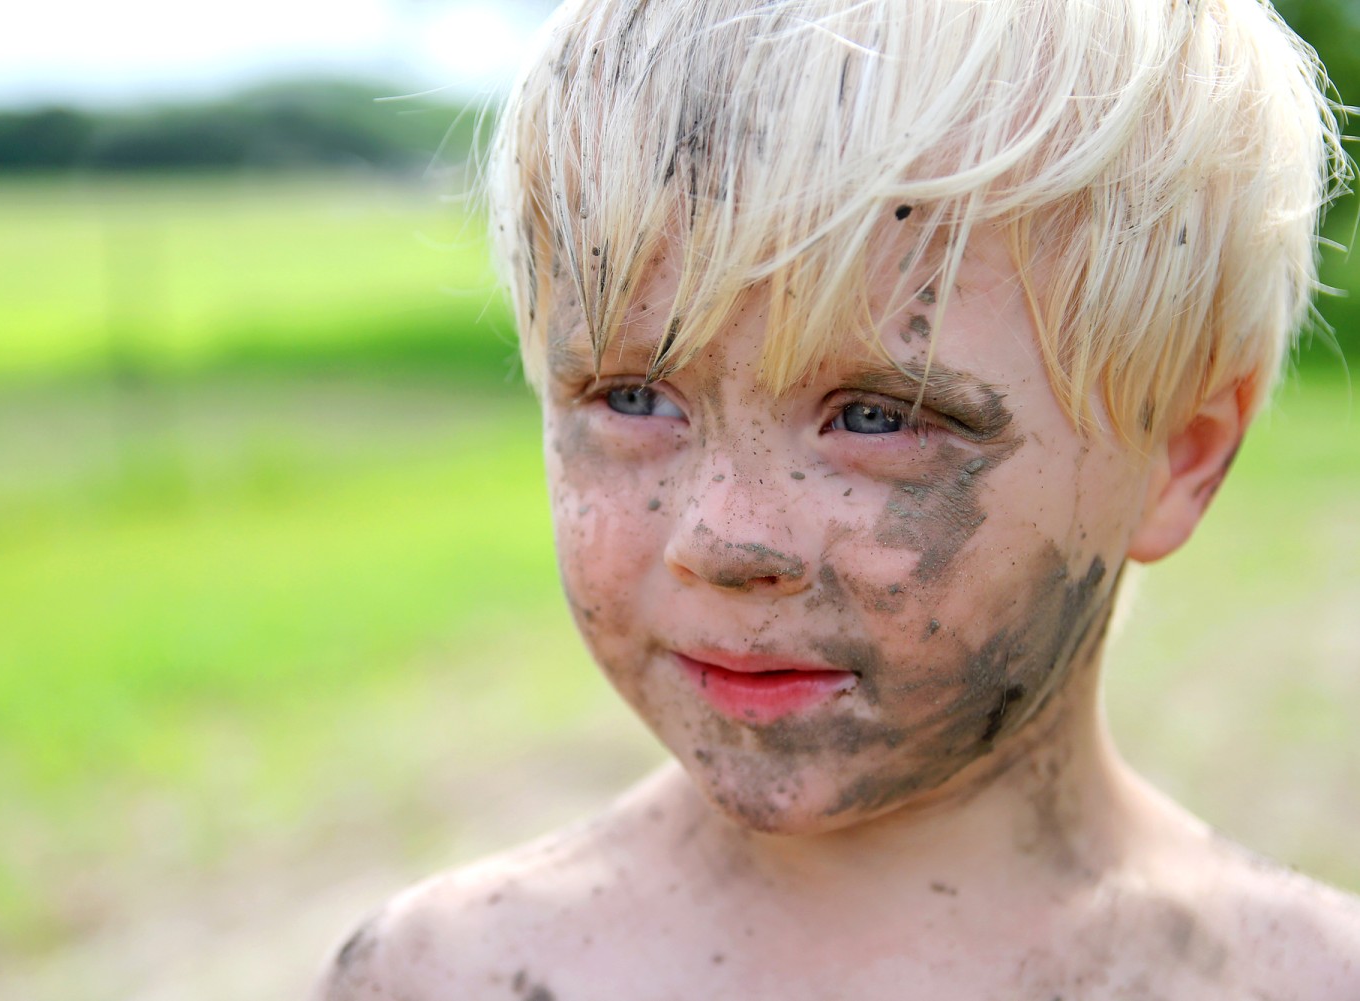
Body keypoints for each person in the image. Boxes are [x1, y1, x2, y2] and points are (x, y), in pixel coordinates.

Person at [322, 0, 1360, 996]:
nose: (726, 537)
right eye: (634, 396)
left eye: (877, 416)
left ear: (1178, 454)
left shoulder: (1304, 979)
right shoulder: (436, 976)